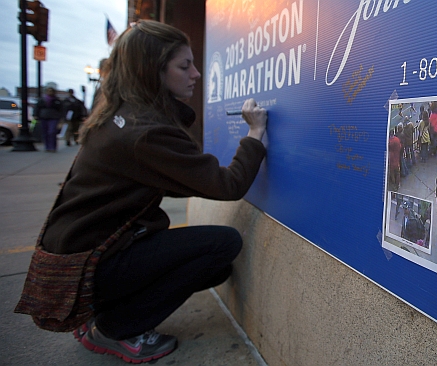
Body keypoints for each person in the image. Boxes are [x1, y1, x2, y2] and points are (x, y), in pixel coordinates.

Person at [27, 20, 268, 363]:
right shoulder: (145, 132)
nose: (196, 74)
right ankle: (116, 328)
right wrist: (255, 132)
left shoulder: (120, 116)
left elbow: (134, 183)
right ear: (153, 71)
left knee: (215, 270)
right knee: (223, 245)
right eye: (184, 66)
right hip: (91, 263)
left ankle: (103, 308)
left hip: (79, 255)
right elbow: (229, 185)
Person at [35, 86, 63, 152]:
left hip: (54, 117)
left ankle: (52, 147)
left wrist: (61, 118)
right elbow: (37, 108)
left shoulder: (57, 100)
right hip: (44, 117)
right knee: (45, 132)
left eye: (51, 91)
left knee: (52, 132)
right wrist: (36, 115)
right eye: (49, 91)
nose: (50, 92)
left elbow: (61, 110)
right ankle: (47, 146)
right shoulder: (42, 100)